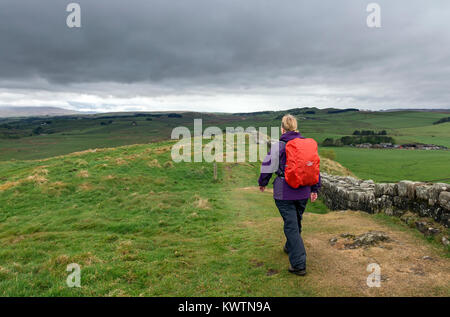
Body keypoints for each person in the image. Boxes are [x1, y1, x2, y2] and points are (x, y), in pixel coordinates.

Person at [258, 114, 321, 276]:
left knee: (291, 225)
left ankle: (299, 264)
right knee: (295, 221)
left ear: (282, 128)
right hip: (303, 191)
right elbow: (313, 167)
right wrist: (314, 188)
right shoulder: (307, 144)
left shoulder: (279, 145)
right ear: (296, 127)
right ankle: (290, 246)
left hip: (284, 192)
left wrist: (263, 182)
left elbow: (268, 165)